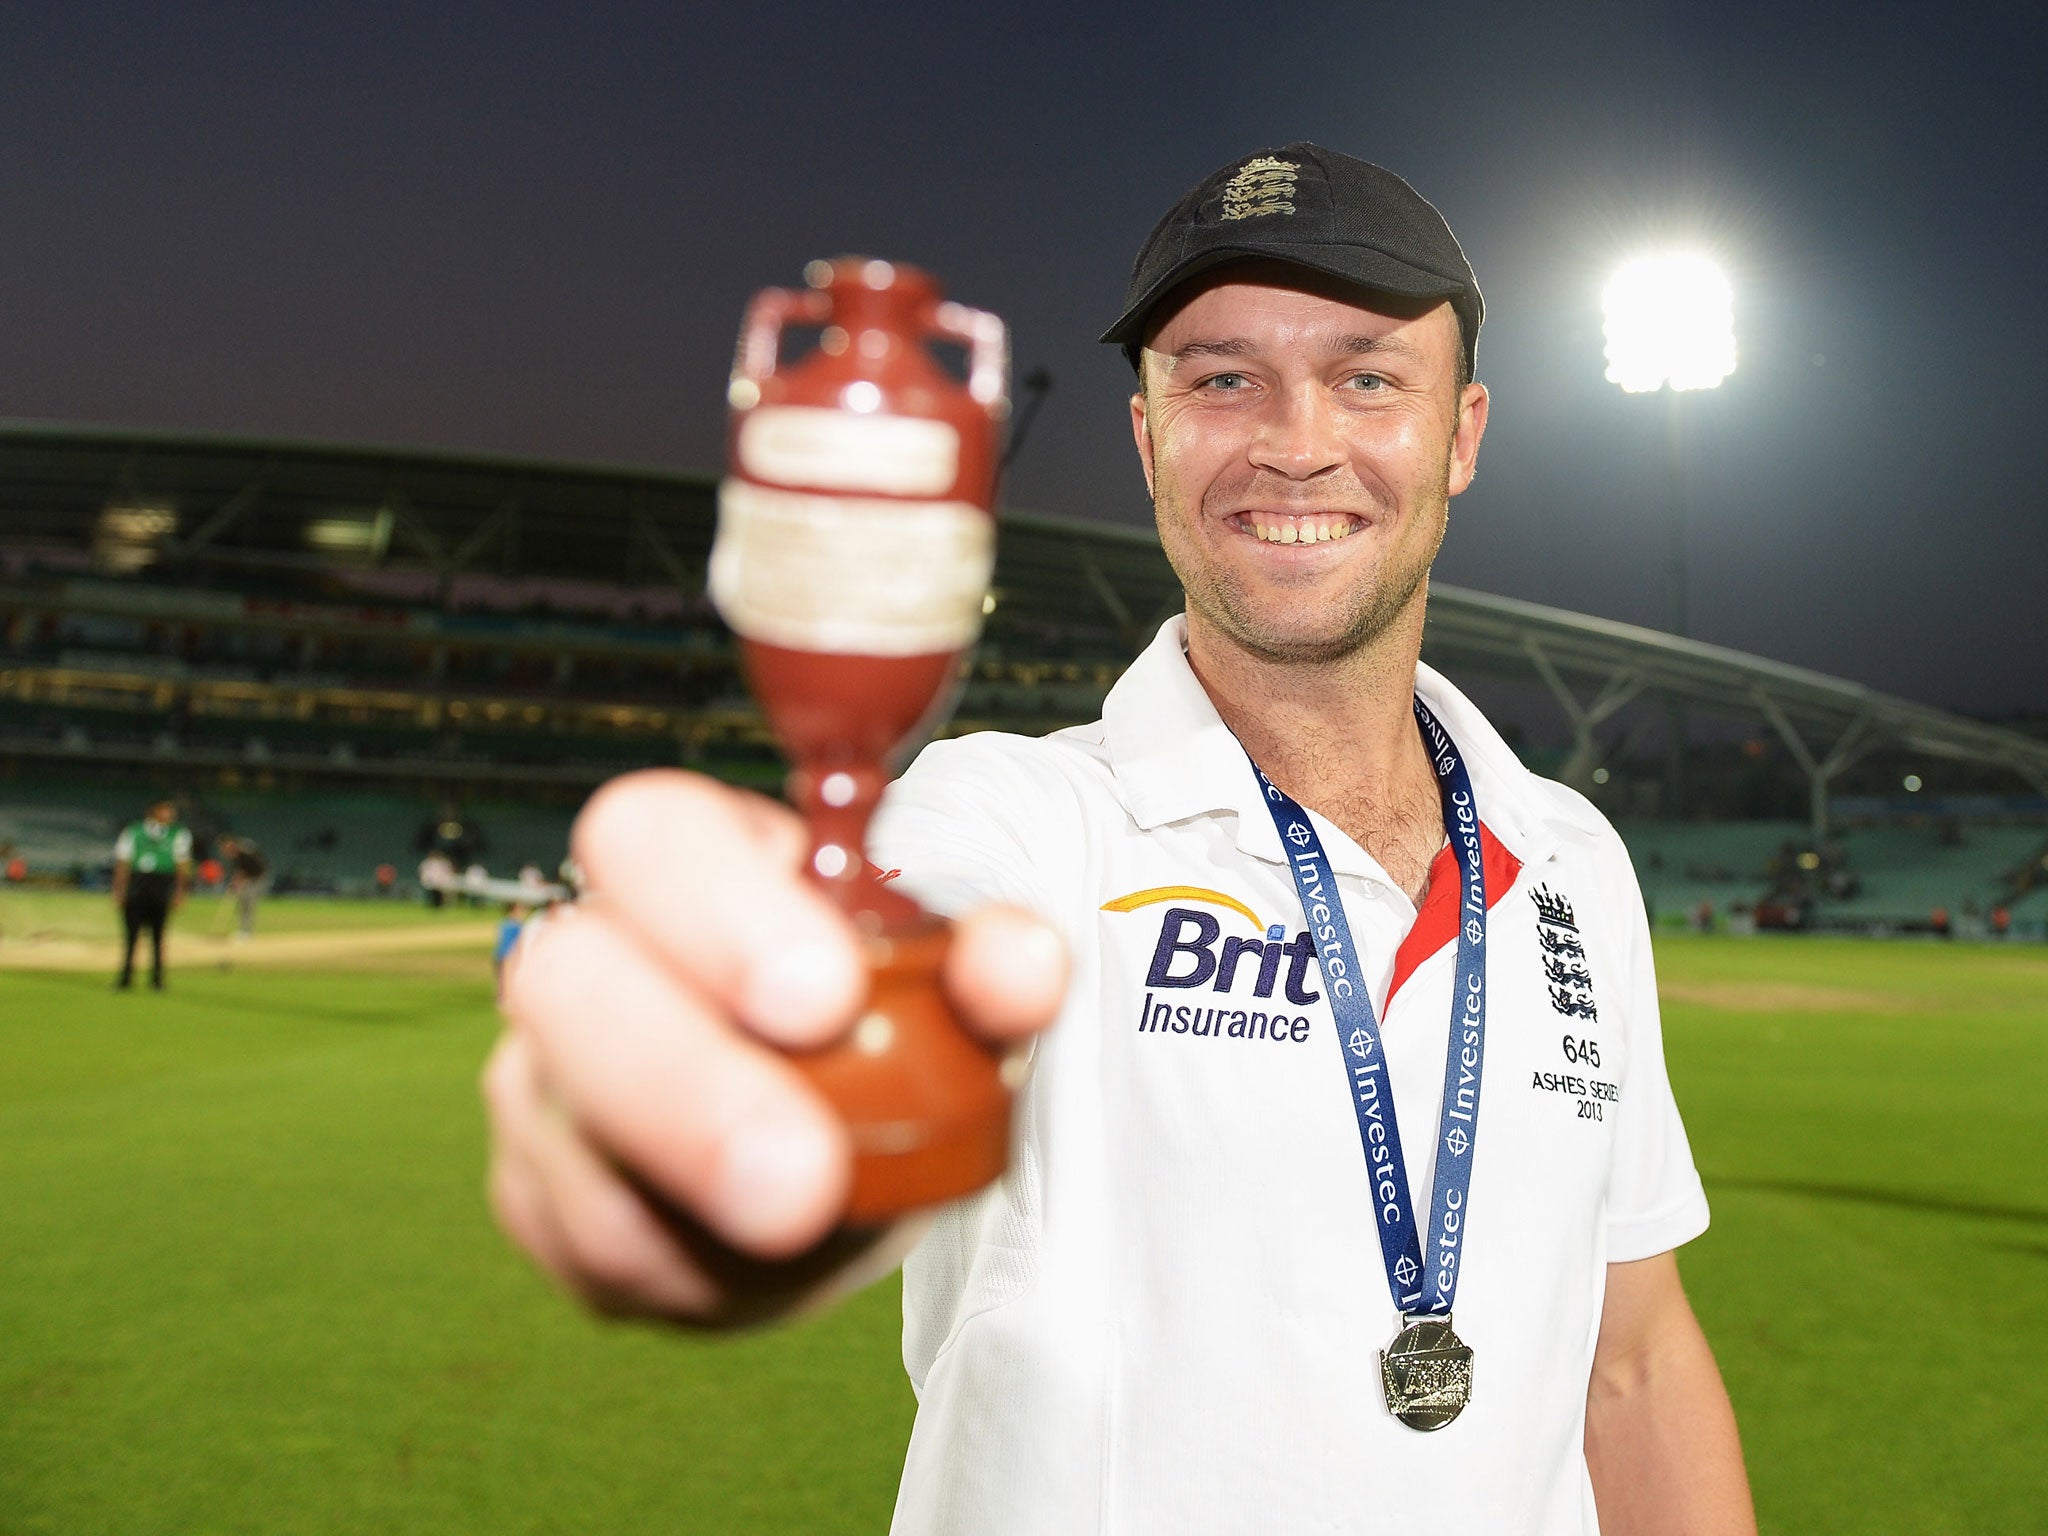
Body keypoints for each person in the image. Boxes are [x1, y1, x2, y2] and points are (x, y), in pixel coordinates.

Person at [485, 144, 1755, 1535]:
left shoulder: (1570, 854)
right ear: (1151, 439)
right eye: (1221, 377)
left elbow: (1632, 1366)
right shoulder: (1025, 818)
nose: (1294, 438)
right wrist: (736, 1076)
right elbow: (910, 942)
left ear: (1461, 435)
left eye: (1369, 376)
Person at [112, 796, 191, 991]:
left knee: (158, 936)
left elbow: (182, 865)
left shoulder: (179, 834)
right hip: (138, 883)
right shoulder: (134, 831)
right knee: (131, 935)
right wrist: (119, 890)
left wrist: (180, 891)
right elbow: (123, 861)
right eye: (165, 810)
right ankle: (126, 979)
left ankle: (157, 980)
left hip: (161, 883)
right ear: (153, 811)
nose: (170, 815)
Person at [217, 835, 271, 939]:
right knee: (243, 903)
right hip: (251, 878)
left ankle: (247, 932)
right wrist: (234, 885)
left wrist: (237, 884)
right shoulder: (237, 856)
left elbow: (247, 871)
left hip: (258, 878)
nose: (225, 851)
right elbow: (239, 873)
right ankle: (244, 930)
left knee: (248, 902)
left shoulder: (245, 851)